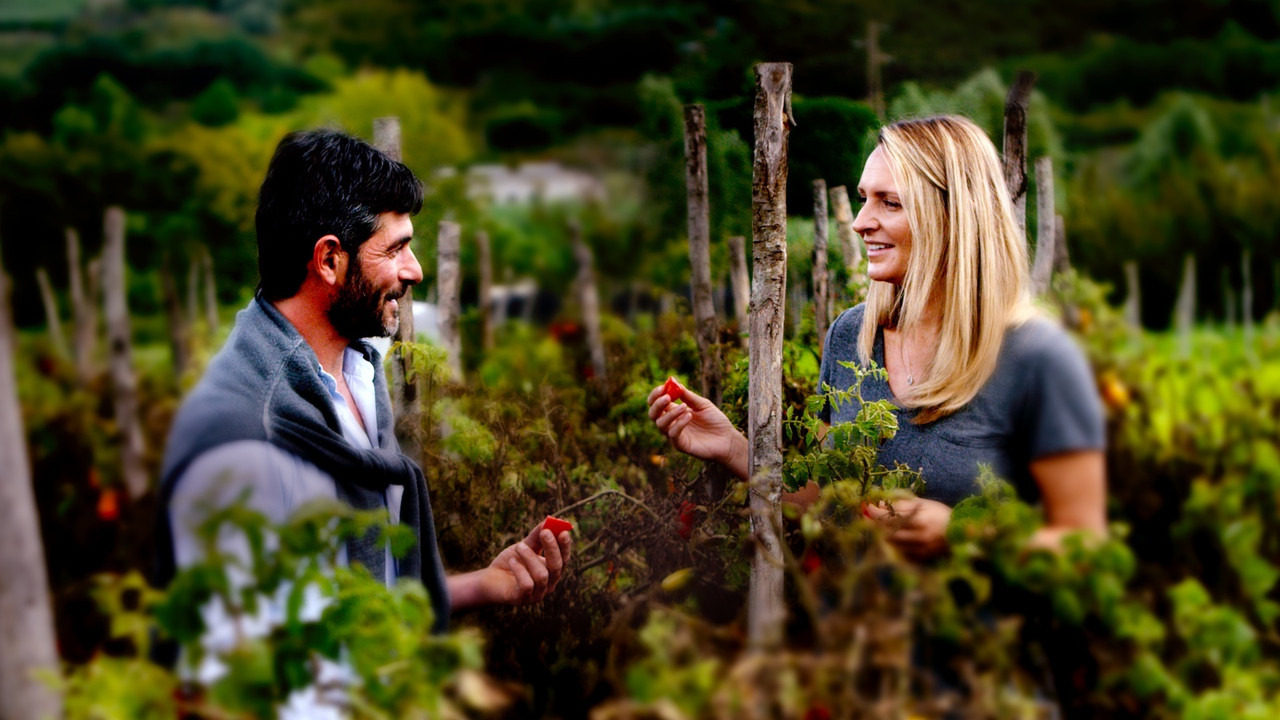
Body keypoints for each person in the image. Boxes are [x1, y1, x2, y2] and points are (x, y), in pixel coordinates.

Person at [157, 129, 571, 641]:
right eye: (395, 249)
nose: (415, 271)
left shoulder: (357, 366)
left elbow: (368, 590)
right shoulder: (241, 441)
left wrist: (485, 584)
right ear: (330, 260)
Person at [647, 115, 1106, 561]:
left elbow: (1086, 545)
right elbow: (829, 502)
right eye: (866, 198)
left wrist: (965, 533)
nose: (861, 221)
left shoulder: (1037, 357)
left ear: (953, 216)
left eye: (890, 202)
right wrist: (732, 448)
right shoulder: (853, 336)